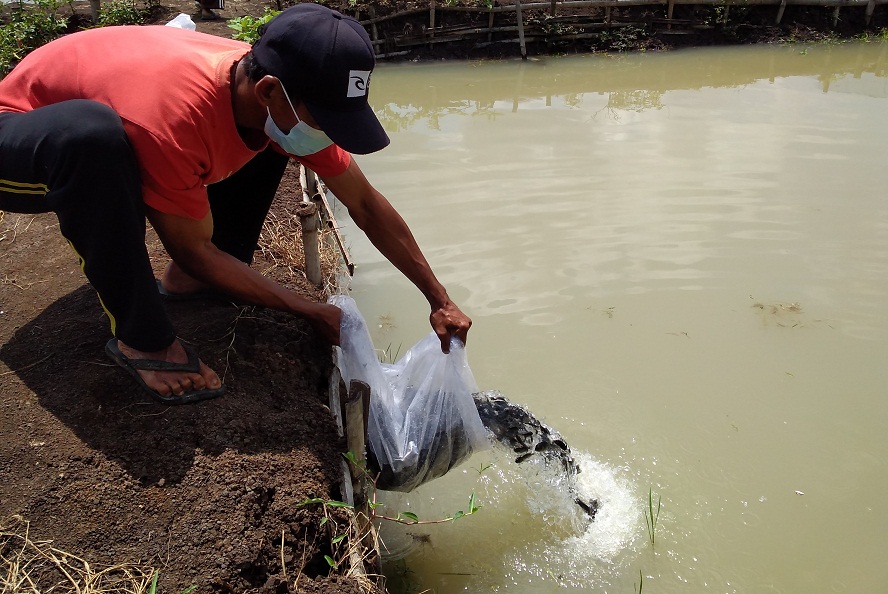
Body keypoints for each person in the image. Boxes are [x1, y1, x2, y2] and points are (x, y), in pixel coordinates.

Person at [0, 3, 471, 404]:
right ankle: (143, 342)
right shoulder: (172, 120)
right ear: (268, 89)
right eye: (324, 119)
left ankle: (189, 287)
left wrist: (439, 298)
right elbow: (191, 247)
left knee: (273, 140)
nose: (327, 134)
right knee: (93, 140)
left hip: (116, 112)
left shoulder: (269, 96)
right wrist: (310, 310)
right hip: (24, 140)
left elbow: (365, 205)